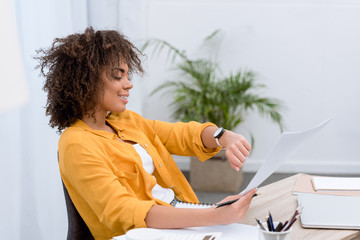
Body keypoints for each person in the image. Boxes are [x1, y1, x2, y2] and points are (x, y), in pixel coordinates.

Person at [35, 27, 257, 240]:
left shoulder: (127, 120)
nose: (129, 84)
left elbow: (181, 134)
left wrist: (222, 135)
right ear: (87, 79)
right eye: (117, 76)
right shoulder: (76, 143)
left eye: (127, 75)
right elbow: (125, 211)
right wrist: (214, 215)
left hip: (184, 220)